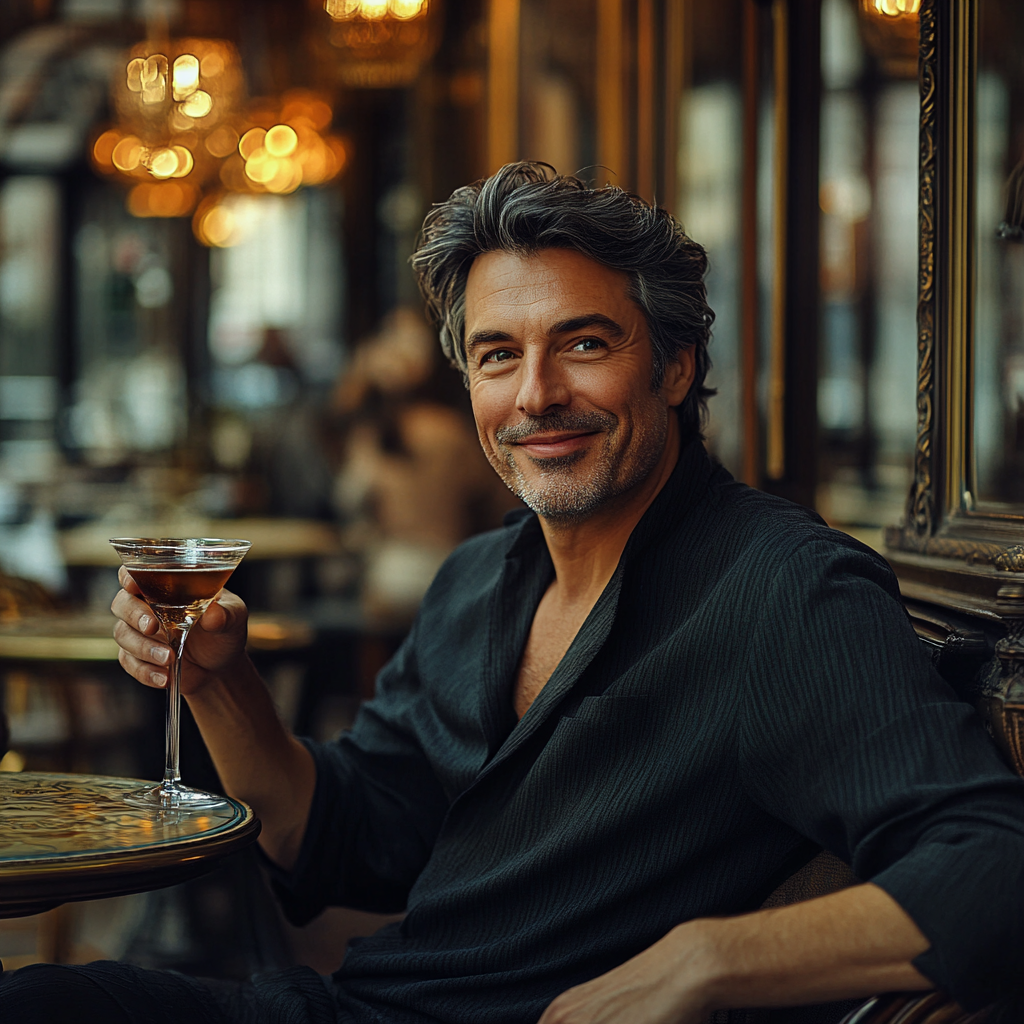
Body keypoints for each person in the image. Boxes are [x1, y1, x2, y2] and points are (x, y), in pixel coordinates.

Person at [3, 162, 1023, 1024]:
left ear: (674, 365)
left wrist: (703, 961)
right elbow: (340, 838)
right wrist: (219, 683)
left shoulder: (786, 591)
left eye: (583, 342)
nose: (534, 395)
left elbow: (994, 873)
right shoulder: (477, 578)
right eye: (498, 354)